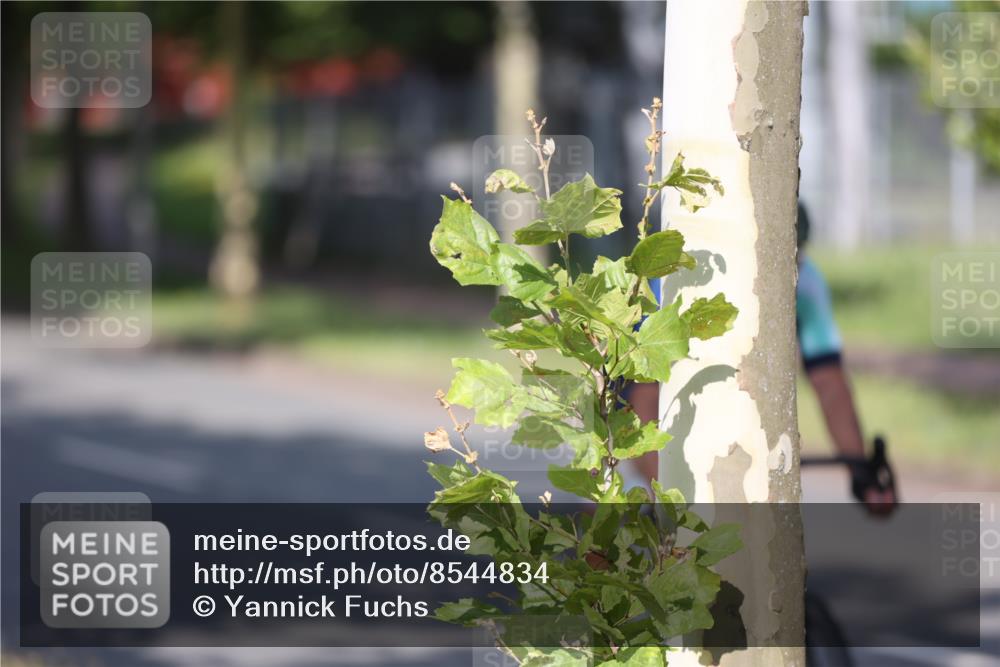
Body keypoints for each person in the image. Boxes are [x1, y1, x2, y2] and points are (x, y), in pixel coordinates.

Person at [630, 202, 897, 515]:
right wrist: (666, 497)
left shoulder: (806, 284)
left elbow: (829, 383)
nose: (787, 270)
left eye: (795, 257)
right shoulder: (678, 280)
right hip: (643, 397)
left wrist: (861, 473)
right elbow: (643, 395)